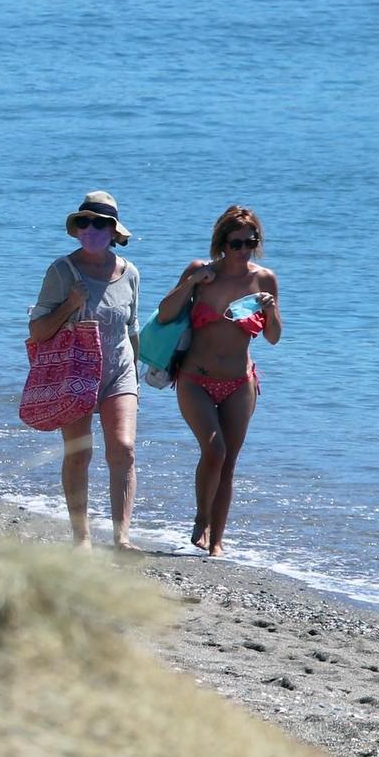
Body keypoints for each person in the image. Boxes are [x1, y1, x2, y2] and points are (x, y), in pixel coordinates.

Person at [155, 205, 281, 557]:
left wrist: (269, 310)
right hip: (196, 378)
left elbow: (273, 337)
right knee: (214, 449)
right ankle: (201, 518)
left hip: (240, 383)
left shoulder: (265, 280)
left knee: (229, 461)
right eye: (236, 243)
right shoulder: (201, 271)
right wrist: (193, 284)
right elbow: (165, 314)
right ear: (221, 243)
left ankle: (217, 541)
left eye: (250, 243)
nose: (243, 250)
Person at [29, 191, 141, 550]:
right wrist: (70, 304)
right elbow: (38, 330)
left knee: (123, 449)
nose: (92, 228)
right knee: (79, 453)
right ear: (77, 229)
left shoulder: (130, 273)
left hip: (118, 371)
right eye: (85, 222)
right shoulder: (62, 270)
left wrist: (135, 377)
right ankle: (82, 538)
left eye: (100, 223)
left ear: (113, 230)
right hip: (74, 372)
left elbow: (132, 328)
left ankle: (122, 538)